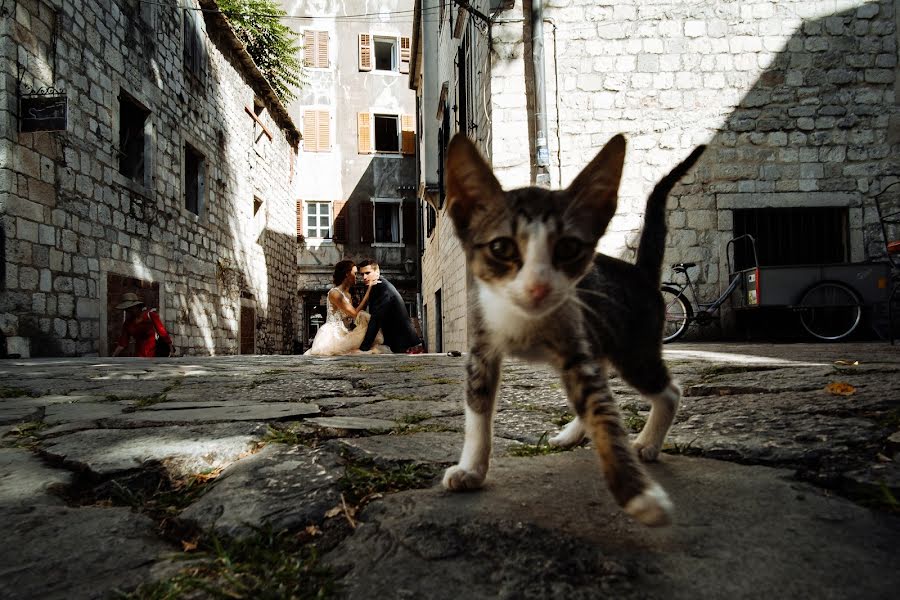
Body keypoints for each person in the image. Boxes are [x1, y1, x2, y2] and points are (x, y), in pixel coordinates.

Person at [305, 260, 390, 356]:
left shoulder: (350, 294)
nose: (357, 277)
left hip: (347, 332)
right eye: (355, 273)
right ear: (347, 274)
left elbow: (360, 312)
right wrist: (369, 290)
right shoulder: (335, 293)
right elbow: (354, 314)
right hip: (334, 336)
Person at [357, 258, 425, 354]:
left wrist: (363, 349)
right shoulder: (375, 286)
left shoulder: (383, 288)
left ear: (377, 271)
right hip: (397, 344)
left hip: (407, 346)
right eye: (362, 274)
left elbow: (375, 320)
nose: (364, 277)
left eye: (367, 273)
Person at [112, 293, 173, 357]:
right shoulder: (128, 323)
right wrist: (113, 356)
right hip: (139, 355)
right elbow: (122, 343)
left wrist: (171, 349)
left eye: (131, 308)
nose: (129, 311)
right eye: (127, 309)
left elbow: (162, 332)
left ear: (137, 307)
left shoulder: (150, 315)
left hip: (154, 353)